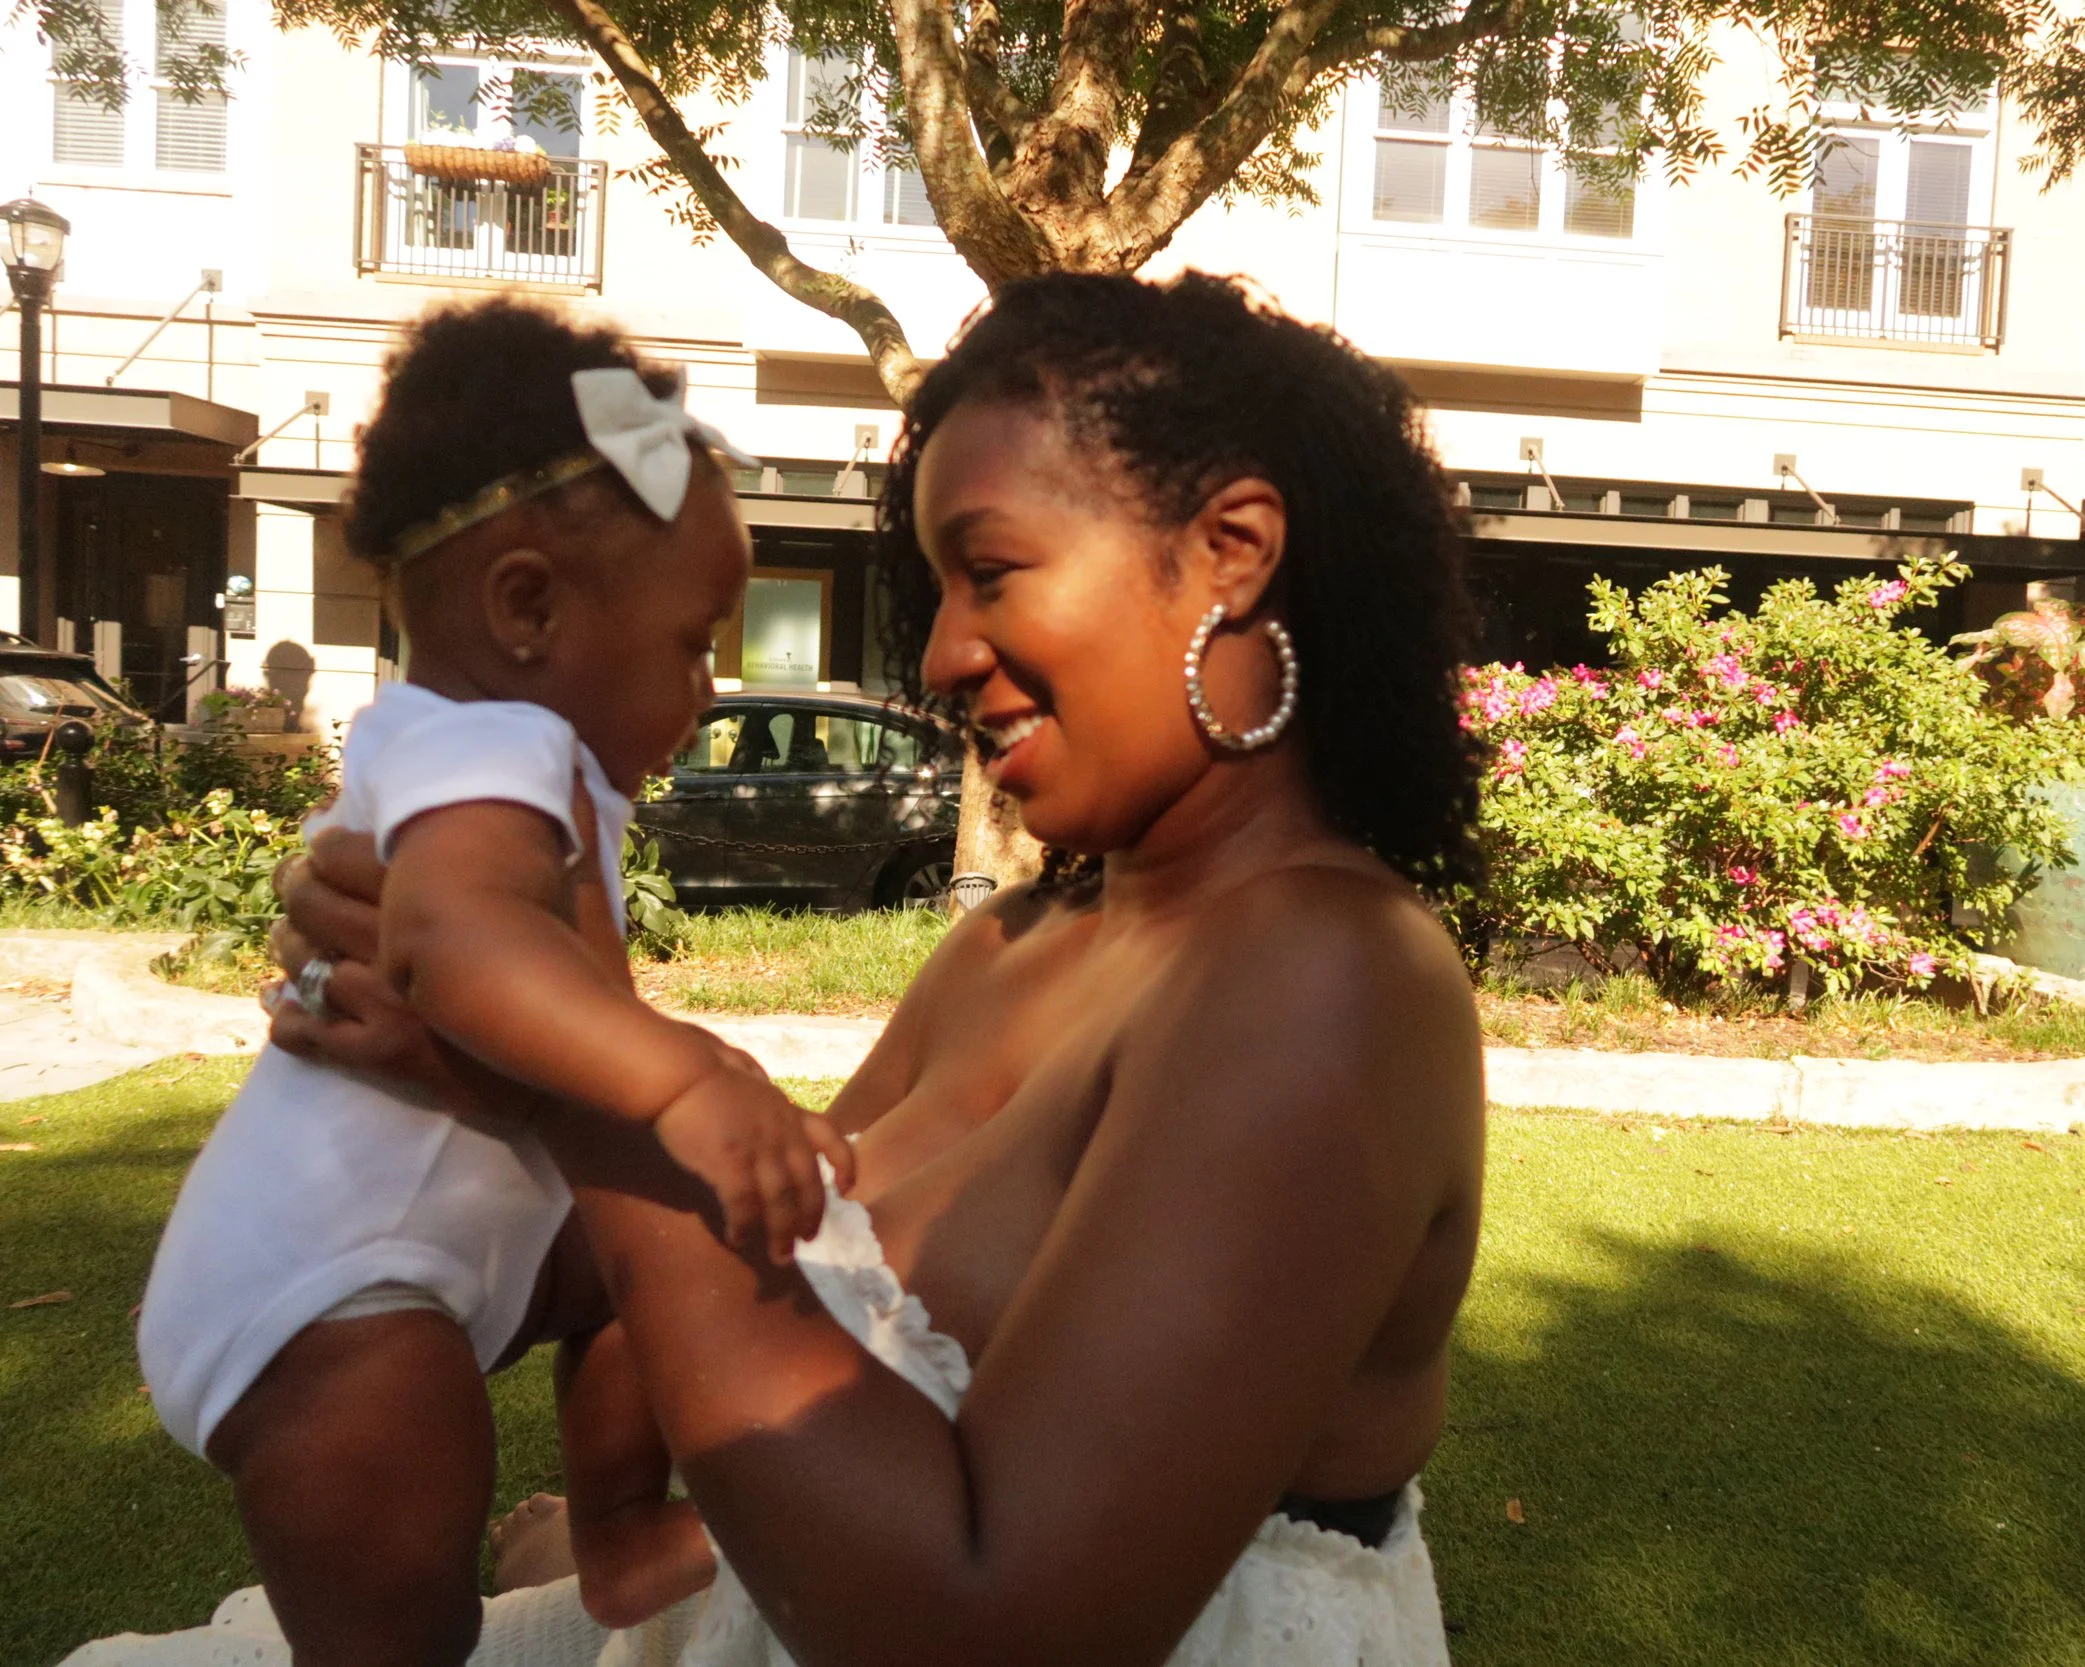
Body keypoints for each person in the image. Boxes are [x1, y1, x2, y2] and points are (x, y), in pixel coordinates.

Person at [83, 270, 1488, 1666]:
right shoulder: (1013, 941)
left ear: (1232, 549)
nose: (937, 654)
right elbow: (756, 1241)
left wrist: (579, 1089)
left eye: (988, 569)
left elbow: (987, 1629)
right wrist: (455, 1059)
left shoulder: (1331, 983)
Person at [126, 300, 846, 1667]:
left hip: (447, 1251)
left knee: (666, 1235)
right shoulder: (489, 744)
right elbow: (453, 944)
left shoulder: (510, 750)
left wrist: (689, 1080)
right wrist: (686, 1071)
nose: (706, 689)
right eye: (693, 642)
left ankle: (620, 1530)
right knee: (403, 1599)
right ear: (525, 607)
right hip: (326, 1294)